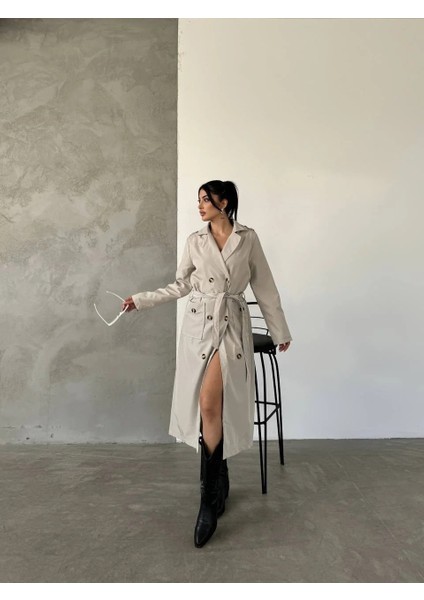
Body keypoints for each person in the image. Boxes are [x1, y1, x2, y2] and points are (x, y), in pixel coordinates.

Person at [122, 180, 292, 548]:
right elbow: (181, 285)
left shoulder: (248, 238)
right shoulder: (195, 241)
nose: (200, 206)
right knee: (206, 407)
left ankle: (207, 503)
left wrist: (279, 330)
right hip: (199, 326)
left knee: (209, 404)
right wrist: (142, 299)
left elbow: (265, 286)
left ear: (224, 202)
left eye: (206, 200)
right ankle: (217, 483)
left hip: (231, 325)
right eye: (198, 200)